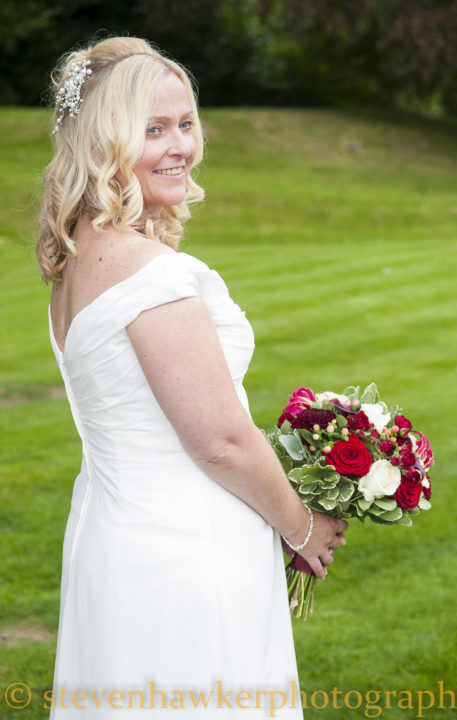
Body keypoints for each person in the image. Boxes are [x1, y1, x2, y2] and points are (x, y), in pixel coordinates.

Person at [37, 36, 348, 718]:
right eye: (153, 130)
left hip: (113, 542)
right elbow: (220, 442)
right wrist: (302, 530)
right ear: (105, 142)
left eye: (184, 123)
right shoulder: (151, 272)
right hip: (186, 555)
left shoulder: (76, 262)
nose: (181, 145)